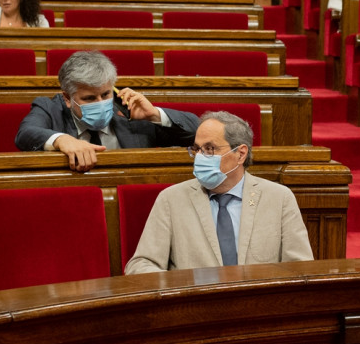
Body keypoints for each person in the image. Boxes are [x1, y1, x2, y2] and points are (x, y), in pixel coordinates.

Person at [124, 111, 313, 274]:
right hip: (194, 309)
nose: (199, 157)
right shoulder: (171, 199)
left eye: (209, 149)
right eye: (197, 149)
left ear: (240, 154)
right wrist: (180, 290)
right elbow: (141, 264)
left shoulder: (279, 198)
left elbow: (300, 266)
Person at [15, 51, 199, 172]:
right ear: (67, 98)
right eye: (89, 98)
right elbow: (25, 134)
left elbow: (198, 133)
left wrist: (155, 115)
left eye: (105, 94)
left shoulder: (129, 109)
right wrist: (61, 139)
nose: (101, 103)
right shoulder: (50, 108)